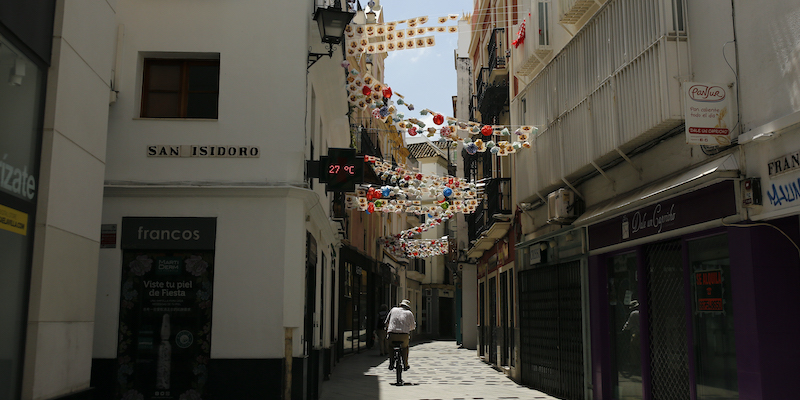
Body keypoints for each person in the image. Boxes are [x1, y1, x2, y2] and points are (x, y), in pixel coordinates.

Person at [384, 299, 416, 370]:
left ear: (400, 305)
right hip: (404, 335)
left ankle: (391, 363)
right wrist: (407, 329)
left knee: (390, 346)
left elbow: (386, 322)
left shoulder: (393, 310)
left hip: (392, 334)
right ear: (408, 307)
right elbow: (413, 326)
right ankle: (405, 364)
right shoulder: (409, 313)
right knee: (405, 348)